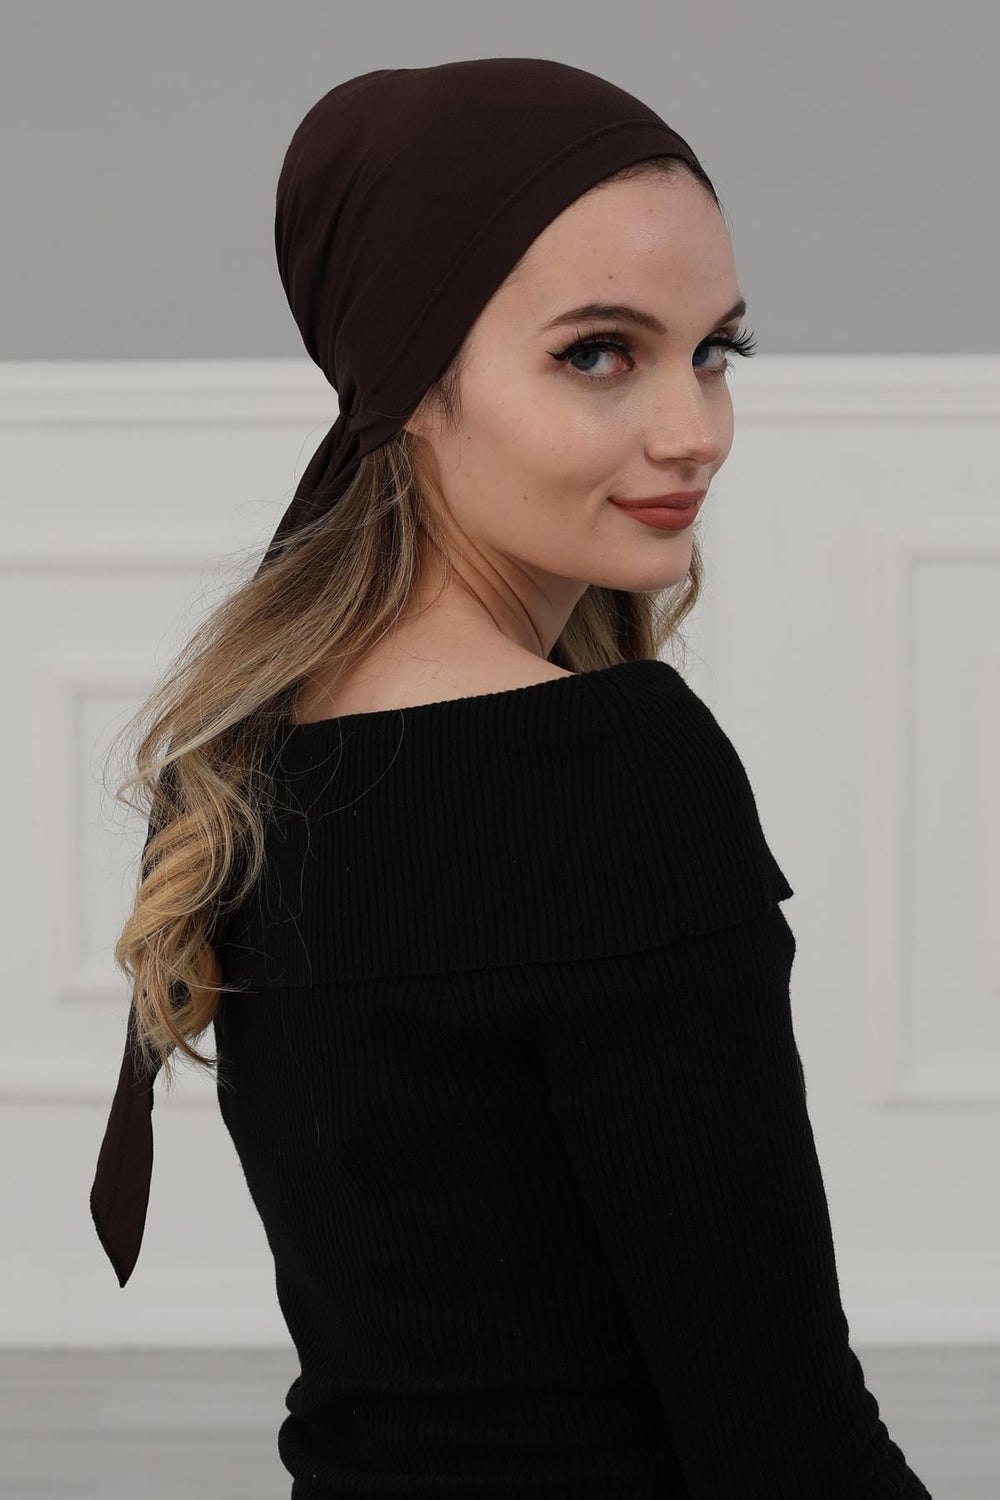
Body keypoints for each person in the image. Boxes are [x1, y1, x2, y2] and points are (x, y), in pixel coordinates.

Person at [90, 58, 933, 1497]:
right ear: (415, 376)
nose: (696, 429)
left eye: (715, 349)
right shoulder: (608, 770)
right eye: (599, 353)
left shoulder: (251, 757)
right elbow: (783, 1433)